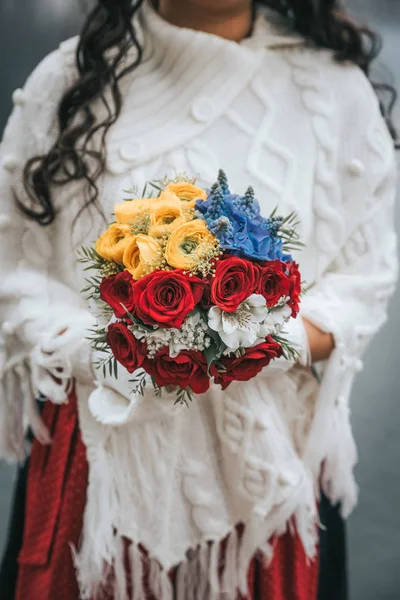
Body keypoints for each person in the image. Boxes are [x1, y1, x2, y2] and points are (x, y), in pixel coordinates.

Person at [0, 0, 398, 599]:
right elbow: (14, 264)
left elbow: (362, 279)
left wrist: (246, 339)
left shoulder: (334, 92)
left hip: (268, 486)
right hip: (95, 470)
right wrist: (126, 347)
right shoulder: (69, 83)